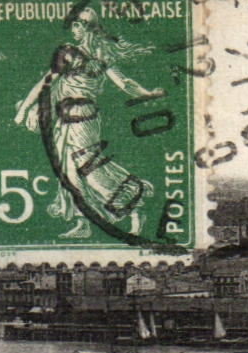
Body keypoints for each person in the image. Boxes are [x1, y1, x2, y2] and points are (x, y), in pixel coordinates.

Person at [14, 9, 159, 238]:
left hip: (83, 119)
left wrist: (147, 93)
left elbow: (125, 84)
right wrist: (25, 110)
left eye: (77, 25)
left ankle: (135, 203)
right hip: (66, 119)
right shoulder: (73, 53)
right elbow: (47, 83)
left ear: (88, 28)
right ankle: (83, 224)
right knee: (70, 173)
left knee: (89, 169)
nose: (73, 30)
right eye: (73, 25)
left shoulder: (94, 57)